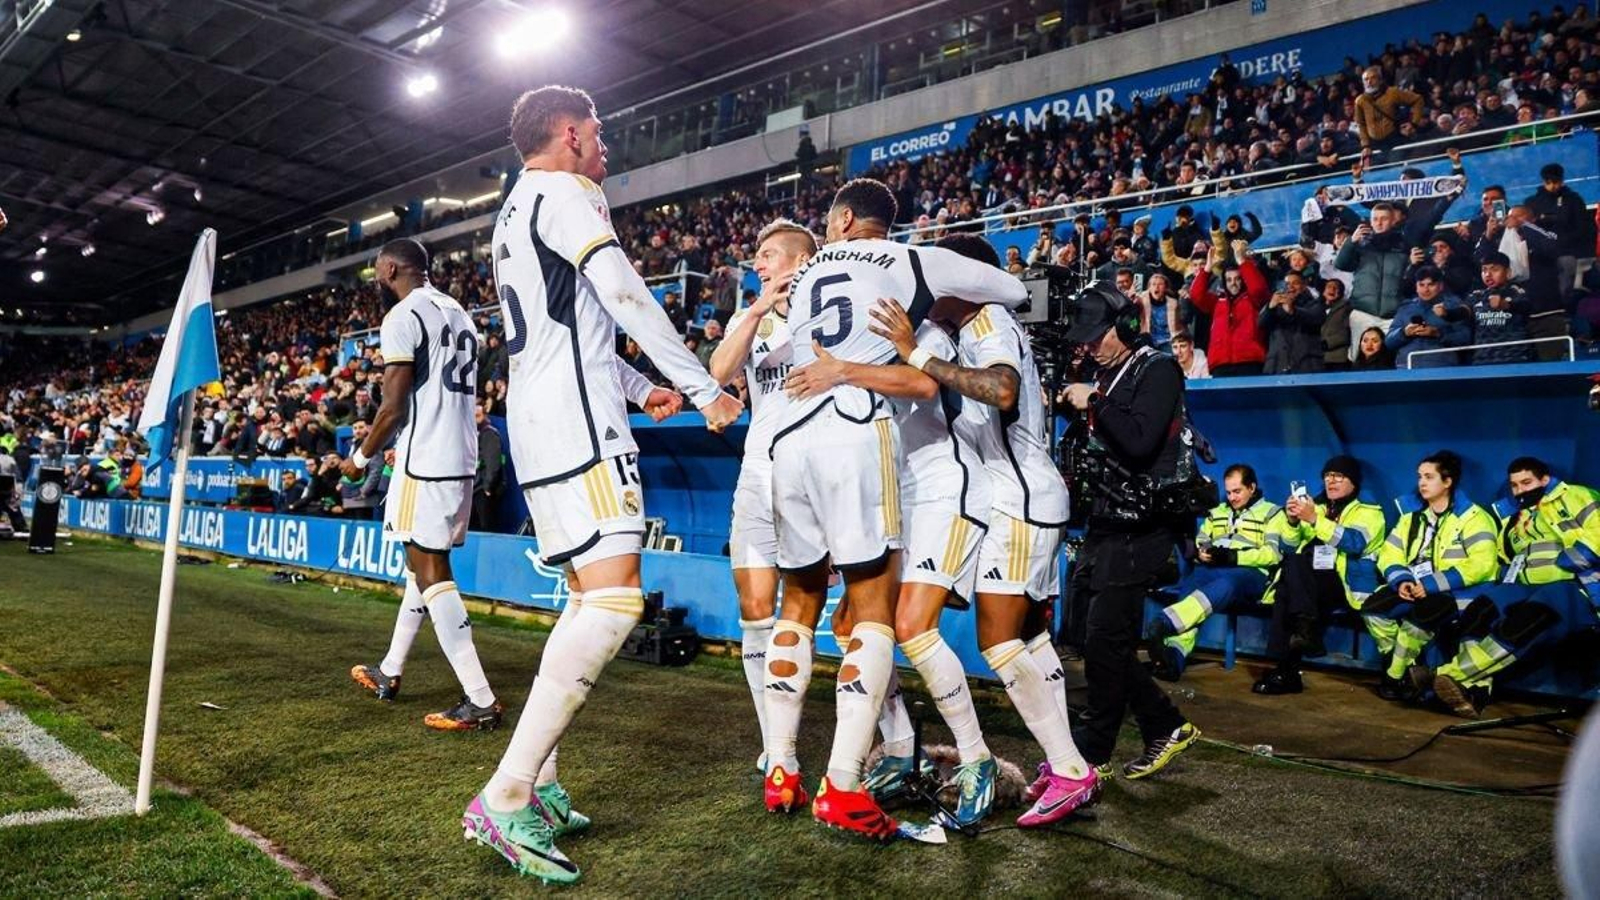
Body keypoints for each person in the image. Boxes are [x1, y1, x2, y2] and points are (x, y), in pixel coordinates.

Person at [464, 85, 741, 884]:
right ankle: (507, 790)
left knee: (591, 599)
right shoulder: (568, 192)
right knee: (618, 601)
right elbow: (623, 296)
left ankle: (541, 782)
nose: (608, 150)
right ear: (572, 133)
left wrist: (635, 386)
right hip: (577, 430)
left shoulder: (514, 209)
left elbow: (572, 329)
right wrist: (700, 388)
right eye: (602, 136)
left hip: (545, 417)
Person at [799, 232, 1095, 828]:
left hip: (1016, 495)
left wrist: (914, 355)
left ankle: (1064, 769)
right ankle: (1060, 761)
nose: (927, 293)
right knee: (1026, 638)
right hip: (1005, 493)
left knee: (999, 641)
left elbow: (1001, 389)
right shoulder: (963, 330)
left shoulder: (989, 321)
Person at [767, 178, 1027, 839]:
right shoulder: (900, 300)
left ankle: (973, 762)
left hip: (944, 482)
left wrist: (845, 370)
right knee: (855, 621)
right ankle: (904, 743)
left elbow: (921, 379)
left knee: (906, 625)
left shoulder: (932, 327)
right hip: (891, 477)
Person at [343, 238, 502, 735]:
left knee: (430, 569)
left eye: (376, 271)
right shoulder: (459, 313)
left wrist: (359, 456)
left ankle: (480, 699)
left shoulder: (403, 316)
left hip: (425, 459)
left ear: (390, 267)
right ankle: (389, 670)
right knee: (421, 565)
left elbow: (392, 407)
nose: (376, 279)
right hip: (461, 454)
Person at [1060, 284, 1201, 781]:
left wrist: (1094, 401)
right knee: (1085, 633)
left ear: (1122, 327)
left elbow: (1140, 442)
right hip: (1105, 519)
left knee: (1105, 638)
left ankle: (1092, 750)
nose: (1090, 346)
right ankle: (1164, 722)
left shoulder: (1157, 368)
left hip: (1144, 525)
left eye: (1097, 336)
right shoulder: (1108, 373)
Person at [706, 219, 813, 774]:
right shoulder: (747, 318)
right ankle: (776, 743)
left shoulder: (826, 307)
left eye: (768, 255)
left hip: (812, 476)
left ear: (798, 259)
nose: (758, 265)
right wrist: (755, 310)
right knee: (753, 611)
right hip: (756, 476)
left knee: (824, 612)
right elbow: (719, 370)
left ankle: (894, 735)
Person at [1423, 458, 1599, 717]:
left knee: (1531, 617)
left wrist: (1573, 559)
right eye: (1515, 485)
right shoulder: (1515, 516)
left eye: (1526, 482)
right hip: (1524, 585)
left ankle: (1449, 675)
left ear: (1545, 479)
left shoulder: (1576, 496)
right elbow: (1505, 557)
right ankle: (1473, 691)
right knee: (1481, 609)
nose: (1520, 490)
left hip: (1573, 585)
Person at [1362, 450, 1499, 701]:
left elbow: (1484, 564)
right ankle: (1411, 671)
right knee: (1373, 610)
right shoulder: (1411, 519)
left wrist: (1431, 584)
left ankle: (1394, 676)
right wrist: (1402, 580)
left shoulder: (1475, 518)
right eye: (1419, 477)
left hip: (1458, 592)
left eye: (1429, 477)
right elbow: (1389, 554)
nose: (1422, 483)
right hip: (1416, 586)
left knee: (1420, 619)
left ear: (1448, 482)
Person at [1253, 456, 1388, 695]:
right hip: (1308, 582)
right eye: (1327, 476)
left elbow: (1354, 543)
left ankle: (1287, 670)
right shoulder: (1315, 505)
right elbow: (1288, 545)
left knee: (1291, 583)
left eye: (1339, 476)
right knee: (1288, 583)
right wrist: (1292, 521)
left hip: (1344, 582)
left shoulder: (1370, 512)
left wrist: (1314, 519)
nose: (1331, 481)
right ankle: (1302, 639)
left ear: (1353, 482)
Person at [1146, 464, 1287, 681]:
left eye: (1237, 491)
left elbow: (1272, 554)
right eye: (1228, 492)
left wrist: (1234, 557)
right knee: (1192, 586)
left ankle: (1165, 621)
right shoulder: (1217, 512)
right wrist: (1201, 552)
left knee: (1227, 585)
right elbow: (1203, 538)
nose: (1231, 497)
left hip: (1250, 574)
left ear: (1252, 487)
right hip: (1213, 568)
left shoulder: (1272, 512)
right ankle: (1174, 659)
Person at [1335, 202, 1409, 353]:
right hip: (1362, 313)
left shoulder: (1404, 245)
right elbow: (1342, 264)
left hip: (1392, 316)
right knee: (1358, 358)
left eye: (1384, 218)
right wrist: (1351, 242)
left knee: (1389, 359)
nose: (1379, 223)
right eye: (1375, 219)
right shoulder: (1361, 244)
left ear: (1393, 220)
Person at [1188, 241, 1268, 376]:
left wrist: (1241, 260)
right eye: (1229, 280)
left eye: (1237, 279)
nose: (1233, 283)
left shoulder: (1252, 299)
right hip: (1220, 364)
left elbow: (1258, 289)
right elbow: (1196, 295)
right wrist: (1207, 268)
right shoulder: (1217, 302)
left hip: (1249, 362)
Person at [1384, 265, 1473, 368]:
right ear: (1416, 287)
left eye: (1431, 285)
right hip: (1406, 369)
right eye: (1421, 285)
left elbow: (1466, 338)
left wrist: (1438, 333)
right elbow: (1388, 342)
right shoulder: (1405, 308)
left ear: (1440, 286)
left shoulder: (1454, 307)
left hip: (1442, 369)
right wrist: (1404, 333)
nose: (1425, 290)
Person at [1466, 251, 1533, 365]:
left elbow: (1525, 307)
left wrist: (1506, 305)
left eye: (1494, 269)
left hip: (1514, 358)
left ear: (1508, 272)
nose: (1488, 274)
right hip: (1483, 360)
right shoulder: (1476, 295)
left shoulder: (1517, 292)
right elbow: (1464, 311)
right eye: (1484, 270)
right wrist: (1447, 314)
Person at [1259, 271, 1326, 375]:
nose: (1290, 287)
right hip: (1277, 367)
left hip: (1307, 367)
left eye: (1295, 283)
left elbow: (1316, 318)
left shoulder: (1315, 303)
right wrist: (1270, 308)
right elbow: (1261, 324)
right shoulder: (1274, 307)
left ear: (1304, 286)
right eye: (1287, 284)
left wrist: (1293, 311)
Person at [1354, 66, 1424, 154]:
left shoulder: (1392, 92)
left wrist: (1414, 123)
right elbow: (1361, 124)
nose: (1369, 82)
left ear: (1380, 79)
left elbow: (1417, 99)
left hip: (1395, 140)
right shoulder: (1360, 101)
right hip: (1374, 145)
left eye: (1373, 78)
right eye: (1366, 79)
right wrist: (1365, 145)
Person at [471, 404, 503, 532]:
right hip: (474, 488)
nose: (475, 419)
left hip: (483, 490)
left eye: (478, 416)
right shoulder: (473, 435)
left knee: (486, 527)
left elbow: (493, 462)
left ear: (485, 416)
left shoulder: (489, 433)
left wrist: (488, 487)